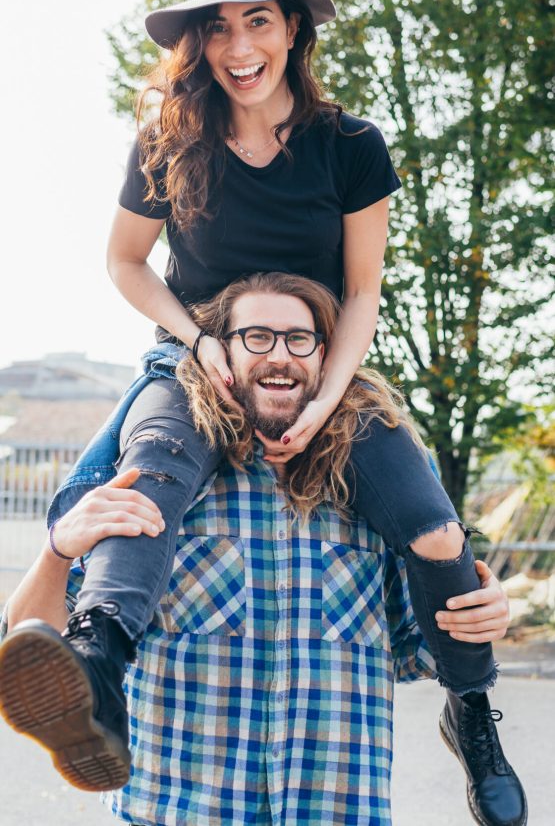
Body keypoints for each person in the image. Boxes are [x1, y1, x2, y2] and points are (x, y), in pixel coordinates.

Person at [0, 0, 526, 821]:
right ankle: (98, 668)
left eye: (257, 22)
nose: (238, 47)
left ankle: (471, 713)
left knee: (432, 528)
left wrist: (328, 402)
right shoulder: (168, 141)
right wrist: (198, 342)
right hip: (199, 353)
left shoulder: (349, 144)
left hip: (320, 356)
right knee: (147, 480)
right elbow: (127, 264)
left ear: (291, 31)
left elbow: (359, 292)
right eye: (217, 29)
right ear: (197, 44)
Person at [0, 275, 523, 826]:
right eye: (256, 338)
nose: (279, 356)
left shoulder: (372, 504)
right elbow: (32, 638)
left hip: (334, 810)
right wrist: (58, 552)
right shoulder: (162, 490)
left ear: (327, 357)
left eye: (300, 339)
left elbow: (420, 650)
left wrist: (486, 615)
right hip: (177, 812)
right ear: (220, 353)